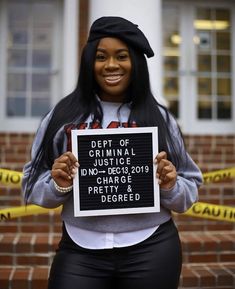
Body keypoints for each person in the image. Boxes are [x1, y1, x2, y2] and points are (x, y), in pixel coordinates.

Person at [22, 16, 202, 289]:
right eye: (101, 57)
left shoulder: (160, 118)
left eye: (122, 56)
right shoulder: (61, 117)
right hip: (81, 250)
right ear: (88, 62)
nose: (111, 65)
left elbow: (189, 191)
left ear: (136, 64)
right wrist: (58, 185)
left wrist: (170, 185)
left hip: (152, 247)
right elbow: (31, 186)